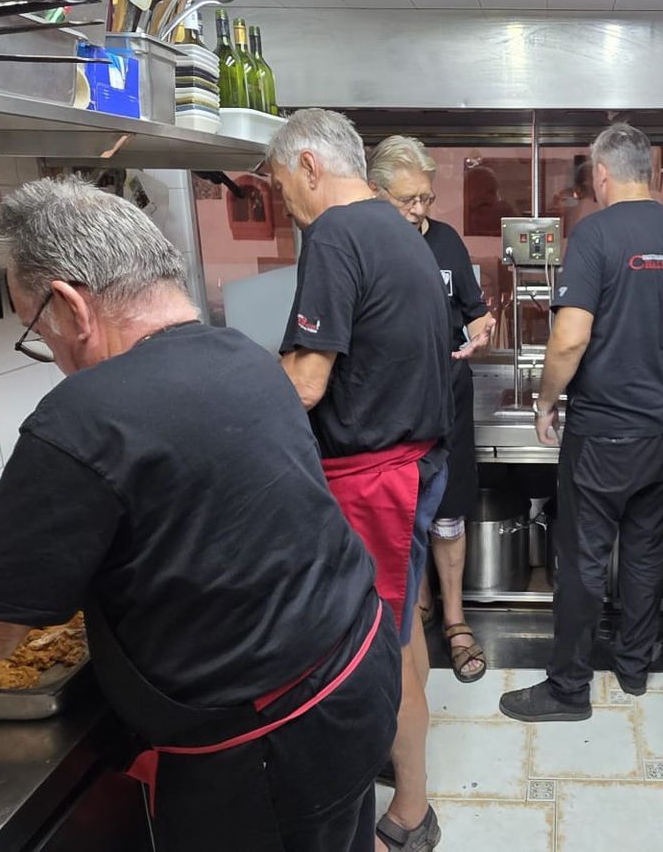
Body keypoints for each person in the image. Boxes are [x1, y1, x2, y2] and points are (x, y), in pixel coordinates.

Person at [0, 178, 400, 851]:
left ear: (70, 304)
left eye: (37, 329)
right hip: (358, 672)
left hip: (269, 743)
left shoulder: (83, 419)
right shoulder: (244, 354)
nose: (52, 352)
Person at [269, 110, 455, 852]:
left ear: (309, 166)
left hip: (377, 476)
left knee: (382, 649)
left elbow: (306, 383)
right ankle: (404, 768)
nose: (285, 200)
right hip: (413, 464)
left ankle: (410, 813)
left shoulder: (335, 234)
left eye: (282, 183)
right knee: (404, 630)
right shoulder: (399, 229)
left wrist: (238, 402)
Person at [499, 123, 663, 722]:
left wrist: (545, 402)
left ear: (601, 173)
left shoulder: (595, 234)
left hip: (604, 433)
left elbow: (569, 338)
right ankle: (634, 666)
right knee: (646, 550)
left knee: (583, 559)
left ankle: (569, 689)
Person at [368, 135, 498, 685]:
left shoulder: (445, 241)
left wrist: (482, 331)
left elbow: (476, 311)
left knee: (448, 514)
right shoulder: (363, 246)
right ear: (376, 193)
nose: (420, 210)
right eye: (408, 200)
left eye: (426, 198)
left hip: (447, 401)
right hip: (388, 410)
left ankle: (454, 618)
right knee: (401, 517)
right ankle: (413, 612)